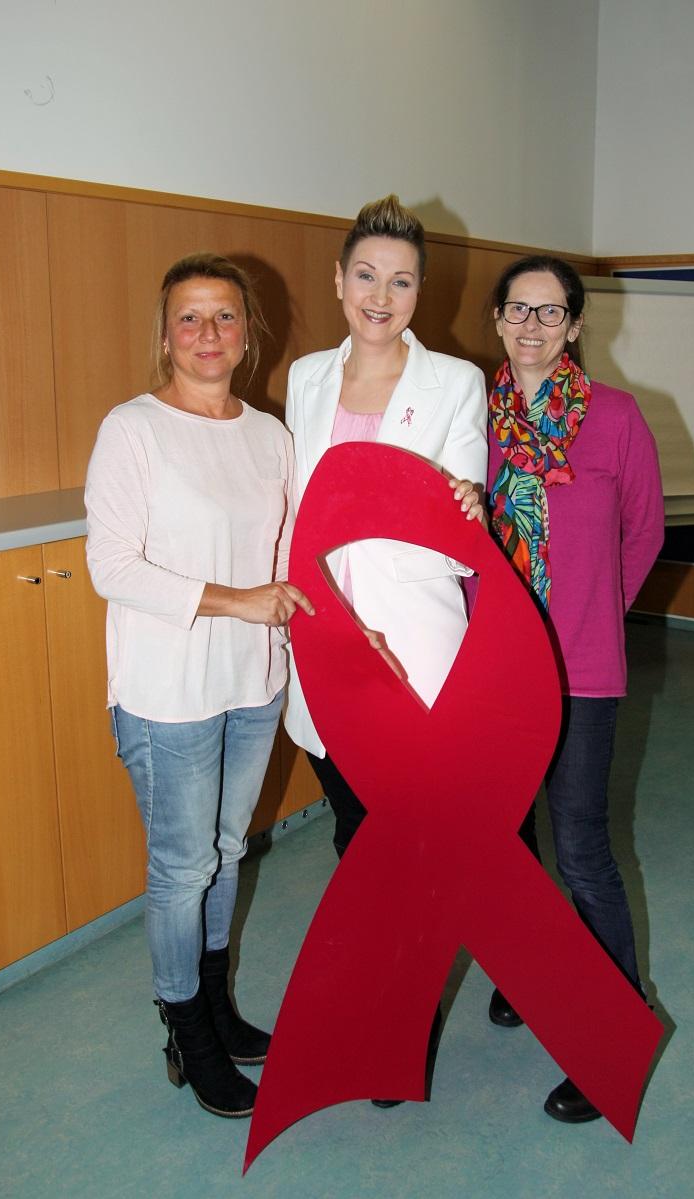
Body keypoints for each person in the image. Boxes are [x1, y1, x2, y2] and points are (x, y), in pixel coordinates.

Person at [85, 253, 313, 1120]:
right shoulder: (133, 429)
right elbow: (112, 567)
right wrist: (236, 600)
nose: (208, 333)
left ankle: (216, 1003)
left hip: (251, 682)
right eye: (190, 316)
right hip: (167, 691)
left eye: (225, 315)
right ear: (166, 333)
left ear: (249, 332)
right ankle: (186, 1028)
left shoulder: (270, 436)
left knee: (227, 849)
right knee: (183, 868)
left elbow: (287, 557)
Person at [485, 255, 664, 1124]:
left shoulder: (616, 416)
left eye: (550, 312)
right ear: (496, 319)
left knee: (582, 846)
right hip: (493, 670)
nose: (532, 326)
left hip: (583, 668)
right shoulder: (469, 417)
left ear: (576, 326)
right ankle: (533, 973)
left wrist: (589, 616)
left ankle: (613, 1034)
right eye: (518, 309)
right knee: (509, 841)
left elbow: (645, 530)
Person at [283, 194, 488, 863]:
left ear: (419, 291)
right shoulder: (307, 377)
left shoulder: (455, 382)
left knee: (423, 827)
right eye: (366, 275)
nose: (380, 296)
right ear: (338, 278)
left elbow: (464, 526)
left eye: (400, 281)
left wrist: (467, 505)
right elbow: (300, 507)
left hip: (411, 634)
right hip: (324, 628)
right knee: (354, 828)